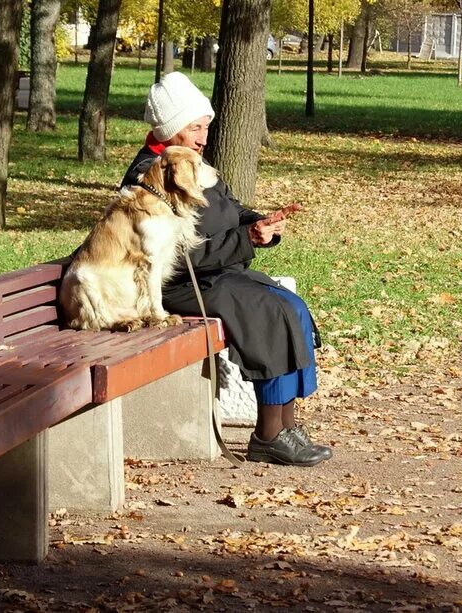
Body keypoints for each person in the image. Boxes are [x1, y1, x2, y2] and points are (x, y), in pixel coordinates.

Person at [122, 72, 332, 467]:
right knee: (268, 312)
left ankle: (286, 426)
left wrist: (259, 224)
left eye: (205, 127)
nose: (203, 137)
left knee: (291, 305)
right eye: (194, 128)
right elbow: (171, 254)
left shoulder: (191, 161)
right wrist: (244, 239)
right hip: (180, 284)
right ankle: (268, 435)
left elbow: (228, 208)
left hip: (216, 272)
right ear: (171, 130)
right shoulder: (151, 175)